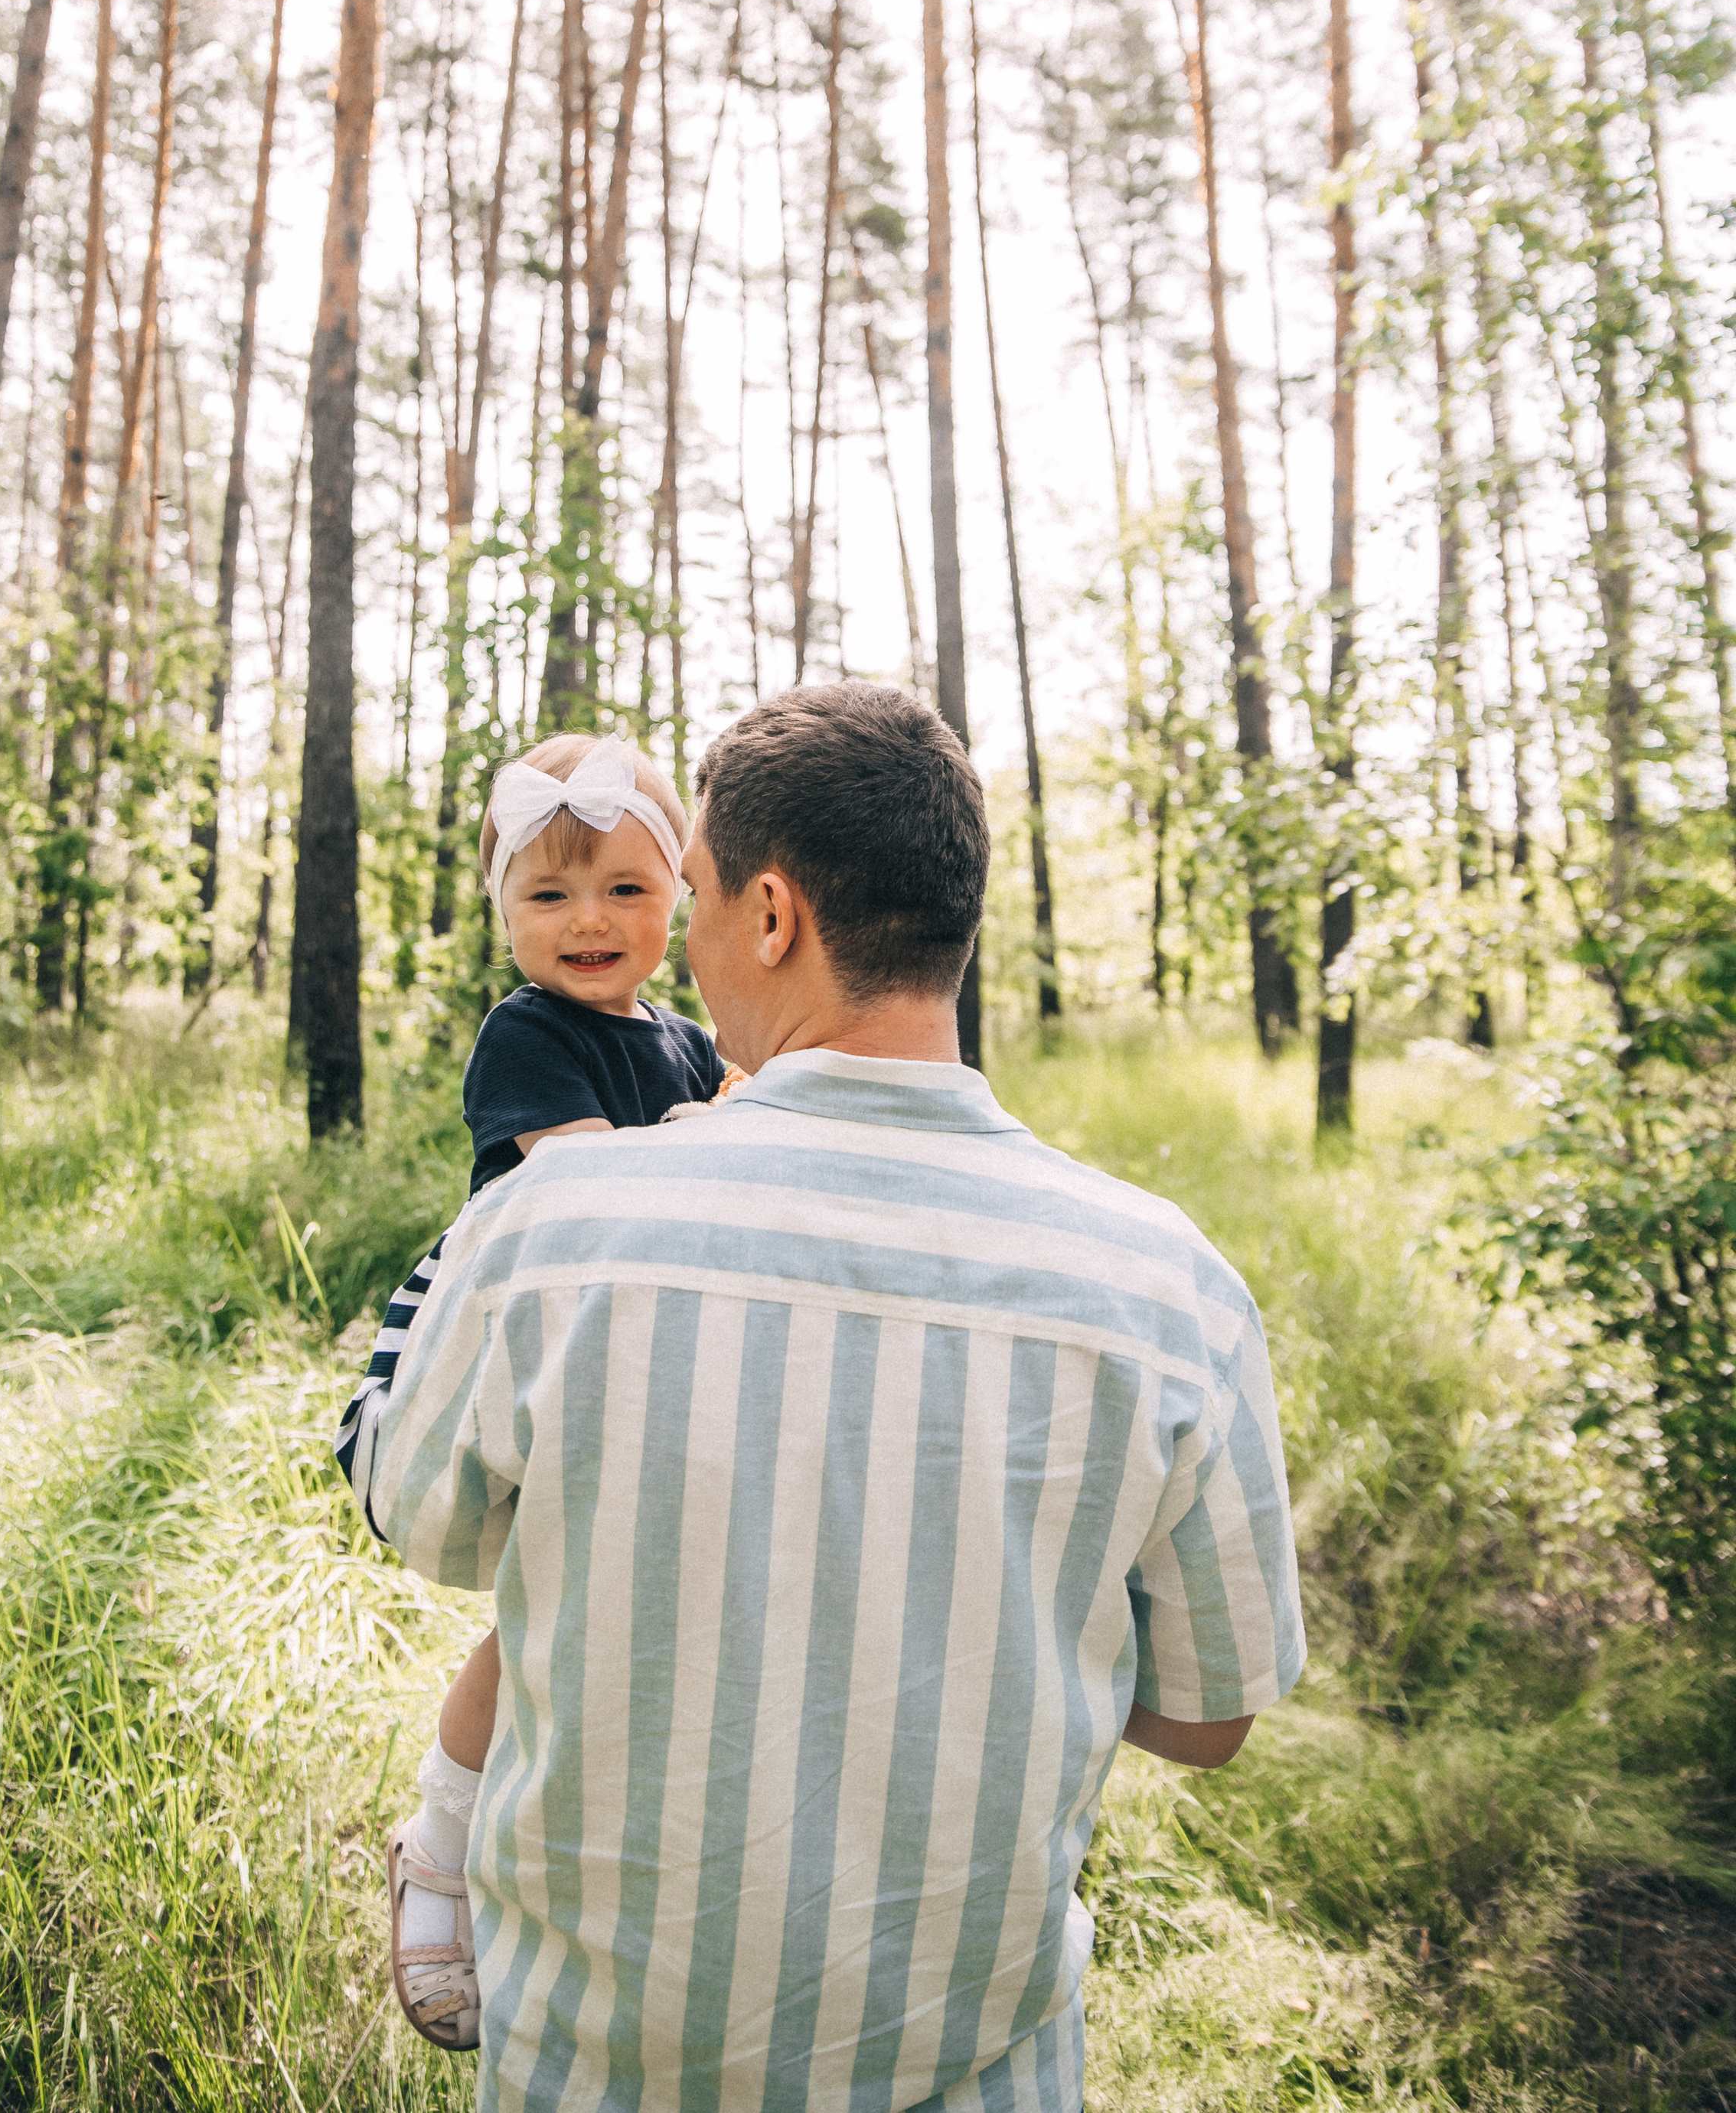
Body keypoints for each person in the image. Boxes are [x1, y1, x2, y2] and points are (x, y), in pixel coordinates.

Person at [356, 681, 1305, 2112]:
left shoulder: (554, 1224)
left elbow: (418, 1516)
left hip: (599, 2073)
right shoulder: (1172, 1288)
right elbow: (1207, 1722)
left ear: (769, 915)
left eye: (684, 891)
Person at [335, 731, 739, 2048]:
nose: (589, 922)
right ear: (504, 909)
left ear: (682, 897)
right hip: (527, 1353)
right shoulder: (526, 1034)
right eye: (549, 894)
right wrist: (717, 1132)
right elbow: (581, 1188)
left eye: (626, 889)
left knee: (630, 1611)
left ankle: (592, 1857)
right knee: (540, 1614)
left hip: (642, 1357)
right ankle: (440, 1842)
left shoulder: (692, 1044)